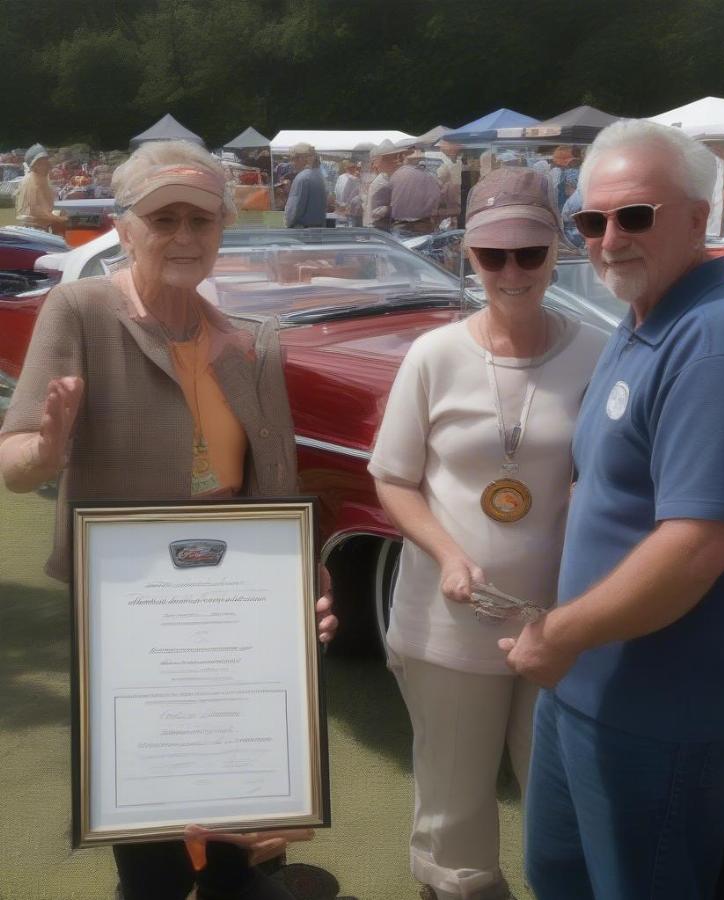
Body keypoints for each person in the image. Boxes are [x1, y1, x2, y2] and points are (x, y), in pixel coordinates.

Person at [0, 140, 339, 900]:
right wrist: (46, 451)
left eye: (202, 219)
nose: (185, 237)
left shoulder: (251, 340)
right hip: (133, 613)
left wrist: (305, 573)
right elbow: (14, 457)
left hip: (231, 604)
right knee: (151, 834)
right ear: (125, 226)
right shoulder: (82, 309)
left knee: (237, 820)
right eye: (165, 219)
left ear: (222, 228)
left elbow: (275, 483)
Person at [501, 119, 724, 900]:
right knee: (557, 879)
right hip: (587, 690)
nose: (608, 240)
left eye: (634, 216)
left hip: (660, 710)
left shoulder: (720, 342)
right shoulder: (643, 327)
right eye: (590, 221)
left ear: (699, 217)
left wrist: (557, 633)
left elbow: (697, 547)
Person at [368, 167, 604, 900]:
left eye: (528, 254)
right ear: (466, 256)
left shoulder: (599, 351)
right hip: (449, 623)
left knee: (560, 802)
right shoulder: (434, 356)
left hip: (562, 624)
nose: (511, 271)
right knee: (454, 807)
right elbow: (394, 479)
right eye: (491, 255)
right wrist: (446, 552)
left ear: (557, 250)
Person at [16, 143, 67, 235]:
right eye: (43, 163)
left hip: (41, 225)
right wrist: (61, 219)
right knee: (63, 220)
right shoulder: (32, 182)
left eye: (47, 161)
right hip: (33, 230)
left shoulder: (41, 178)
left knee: (62, 214)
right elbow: (37, 212)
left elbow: (45, 209)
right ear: (35, 166)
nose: (48, 165)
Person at [389, 150, 441, 237]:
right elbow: (435, 200)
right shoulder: (428, 177)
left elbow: (388, 200)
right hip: (422, 225)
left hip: (399, 225)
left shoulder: (395, 175)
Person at [284, 142, 327, 228]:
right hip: (318, 228)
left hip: (302, 231)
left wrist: (287, 224)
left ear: (301, 159)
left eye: (293, 159)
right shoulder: (319, 175)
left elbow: (294, 209)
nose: (292, 163)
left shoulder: (302, 178)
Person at [363, 141, 402, 231]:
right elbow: (375, 211)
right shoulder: (381, 180)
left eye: (376, 161)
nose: (375, 165)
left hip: (382, 227)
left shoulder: (388, 178)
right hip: (379, 227)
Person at [334, 159, 362, 226]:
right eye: (355, 167)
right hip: (349, 210)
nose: (357, 170)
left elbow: (336, 192)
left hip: (340, 209)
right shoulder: (354, 179)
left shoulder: (341, 177)